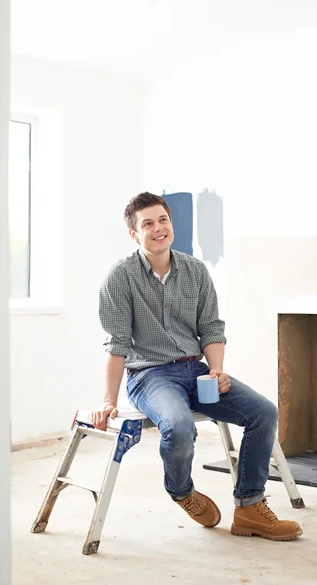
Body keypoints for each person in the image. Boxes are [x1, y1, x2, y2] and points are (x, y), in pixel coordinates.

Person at [91, 191, 303, 541]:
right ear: (134, 233)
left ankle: (249, 507)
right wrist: (107, 401)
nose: (158, 228)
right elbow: (117, 345)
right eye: (148, 224)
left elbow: (211, 328)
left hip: (198, 370)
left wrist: (216, 370)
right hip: (150, 375)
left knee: (263, 412)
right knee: (178, 426)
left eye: (163, 220)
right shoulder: (120, 278)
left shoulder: (195, 270)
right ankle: (182, 491)